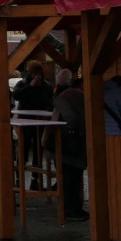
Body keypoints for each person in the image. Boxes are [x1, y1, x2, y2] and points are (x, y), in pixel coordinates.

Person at [52, 77, 89, 221]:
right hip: (71, 142)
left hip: (63, 142)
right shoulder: (77, 97)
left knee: (69, 176)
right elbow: (72, 118)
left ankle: (72, 208)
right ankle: (71, 209)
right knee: (71, 177)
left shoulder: (64, 96)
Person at [12, 60, 54, 189]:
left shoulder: (46, 85)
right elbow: (16, 96)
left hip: (39, 121)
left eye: (39, 72)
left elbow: (50, 101)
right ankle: (19, 178)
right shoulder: (22, 83)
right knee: (23, 150)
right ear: (30, 72)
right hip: (25, 122)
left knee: (37, 151)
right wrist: (30, 86)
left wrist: (47, 113)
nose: (37, 75)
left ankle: (35, 179)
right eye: (35, 72)